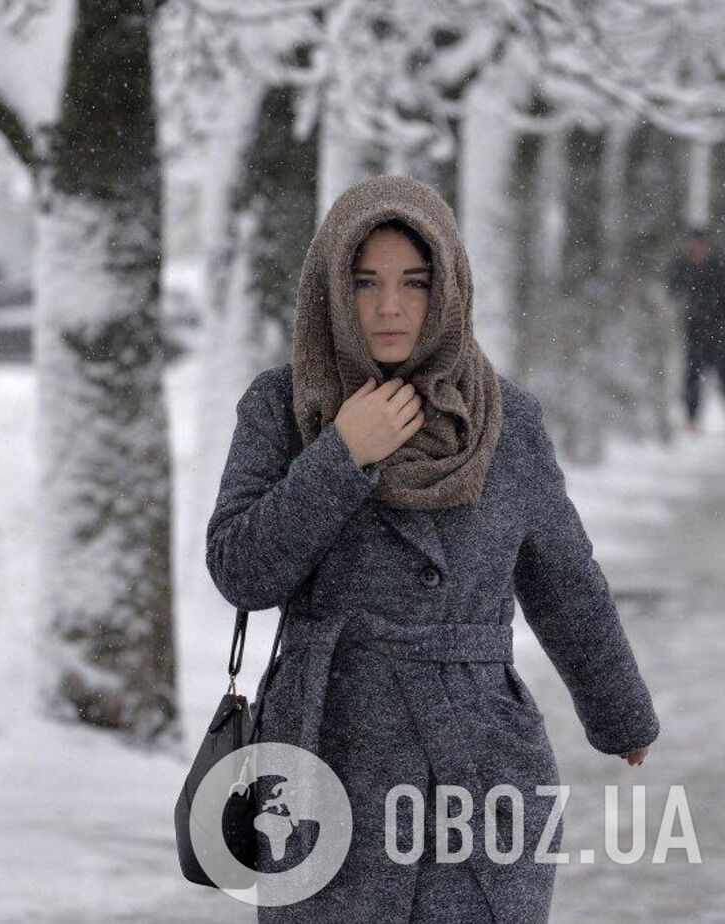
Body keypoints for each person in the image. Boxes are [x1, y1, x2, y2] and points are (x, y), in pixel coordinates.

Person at [207, 175, 659, 923]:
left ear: (447, 289)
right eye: (365, 283)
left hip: (476, 759)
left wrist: (620, 714)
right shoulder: (282, 408)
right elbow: (241, 571)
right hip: (325, 761)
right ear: (331, 288)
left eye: (414, 283)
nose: (390, 307)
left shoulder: (506, 418)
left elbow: (563, 579)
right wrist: (341, 455)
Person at [669, 227, 725, 433]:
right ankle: (691, 419)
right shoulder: (683, 266)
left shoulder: (719, 265)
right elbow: (674, 291)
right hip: (694, 331)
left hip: (719, 332)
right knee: (692, 378)